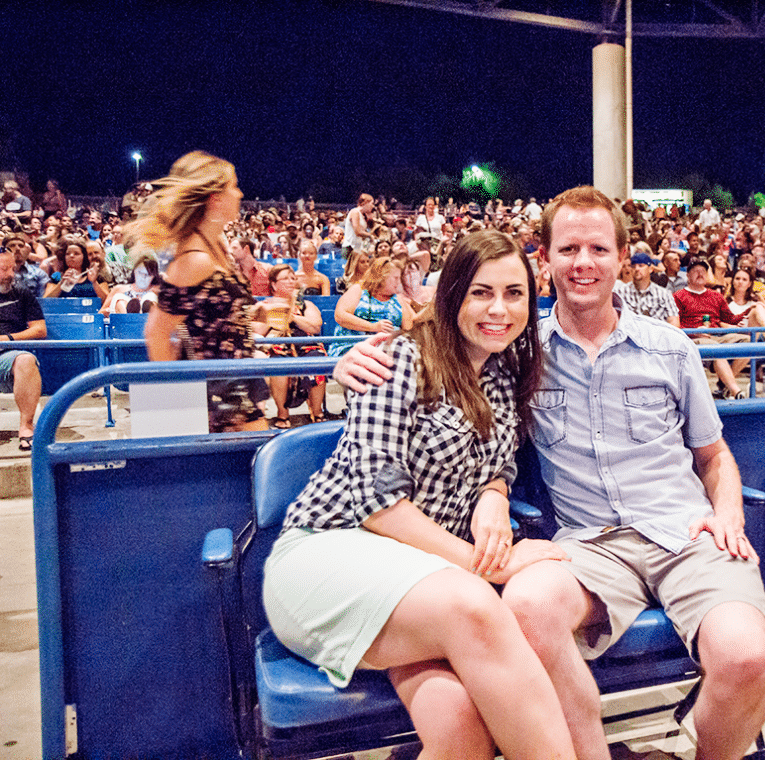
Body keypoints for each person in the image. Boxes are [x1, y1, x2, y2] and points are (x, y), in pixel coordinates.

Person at [333, 187, 765, 760]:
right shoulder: (519, 351)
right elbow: (443, 355)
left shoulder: (670, 348)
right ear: (546, 259)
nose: (583, 263)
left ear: (621, 256)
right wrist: (350, 363)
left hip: (685, 535)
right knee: (526, 606)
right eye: (568, 249)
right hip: (588, 547)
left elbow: (713, 456)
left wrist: (729, 514)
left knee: (745, 659)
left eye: (597, 248)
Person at [262, 230, 576, 760]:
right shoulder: (398, 361)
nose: (499, 308)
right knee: (477, 606)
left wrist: (494, 497)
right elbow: (379, 503)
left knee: (461, 728)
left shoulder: (500, 374)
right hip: (332, 552)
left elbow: (497, 460)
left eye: (514, 293)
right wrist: (487, 565)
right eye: (481, 292)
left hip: (421, 578)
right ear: (452, 294)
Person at [134, 151, 270, 433]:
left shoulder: (218, 242)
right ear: (215, 198)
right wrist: (176, 396)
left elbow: (210, 311)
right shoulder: (196, 259)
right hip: (218, 397)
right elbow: (157, 331)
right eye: (233, 186)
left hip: (237, 381)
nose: (240, 193)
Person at [252, 265, 327, 428]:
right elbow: (257, 331)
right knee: (278, 362)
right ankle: (283, 413)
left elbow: (315, 327)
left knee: (317, 357)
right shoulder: (265, 306)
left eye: (293, 278)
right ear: (273, 284)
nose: (291, 281)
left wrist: (291, 316)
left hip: (306, 346)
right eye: (285, 278)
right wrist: (273, 314)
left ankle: (317, 411)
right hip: (280, 346)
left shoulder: (305, 305)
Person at [675, 259, 755, 400]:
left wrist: (749, 310)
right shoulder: (678, 296)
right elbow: (674, 325)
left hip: (716, 334)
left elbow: (730, 319)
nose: (700, 274)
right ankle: (736, 391)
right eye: (695, 271)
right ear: (687, 275)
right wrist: (694, 331)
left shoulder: (715, 296)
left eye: (703, 271)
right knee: (714, 347)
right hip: (693, 337)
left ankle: (723, 385)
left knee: (749, 342)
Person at [0, 249, 46, 451]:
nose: (11, 274)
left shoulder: (22, 293)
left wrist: (8, 338)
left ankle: (27, 427)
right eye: (4, 269)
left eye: (13, 268)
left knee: (26, 359)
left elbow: (39, 329)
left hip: (9, 355)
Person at [329, 255, 413, 357]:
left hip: (388, 349)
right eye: (395, 278)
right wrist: (373, 327)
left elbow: (409, 330)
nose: (399, 282)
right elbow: (340, 316)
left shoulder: (399, 299)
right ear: (381, 277)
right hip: (353, 346)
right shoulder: (359, 290)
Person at [615, 251, 679, 326]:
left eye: (641, 265)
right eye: (633, 266)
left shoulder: (664, 294)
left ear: (651, 269)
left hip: (657, 335)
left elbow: (674, 322)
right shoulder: (620, 292)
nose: (636, 269)